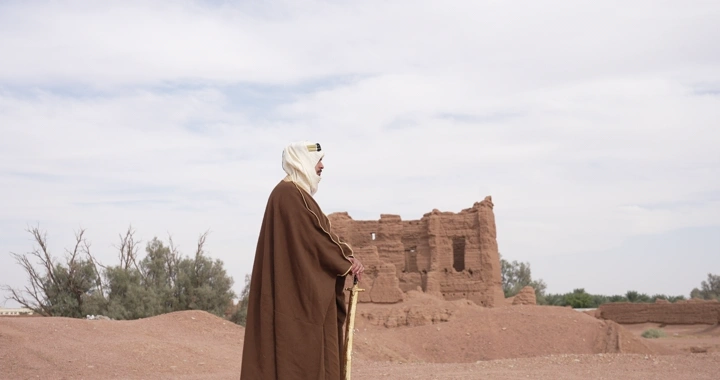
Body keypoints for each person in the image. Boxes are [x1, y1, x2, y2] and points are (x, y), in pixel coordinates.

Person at [240, 141, 365, 380]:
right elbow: (314, 238)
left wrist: (342, 255)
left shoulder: (293, 193)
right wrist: (345, 260)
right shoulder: (289, 194)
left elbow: (317, 234)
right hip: (294, 297)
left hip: (292, 292)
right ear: (303, 161)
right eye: (318, 160)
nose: (322, 166)